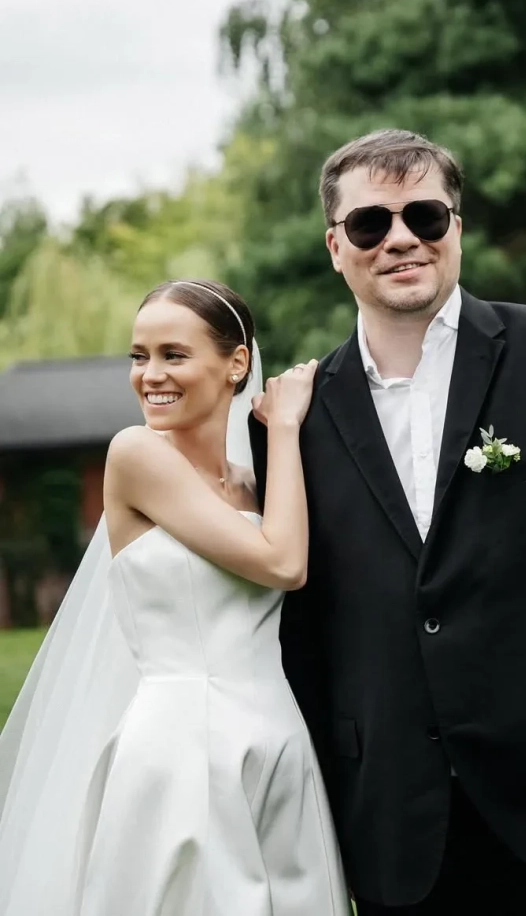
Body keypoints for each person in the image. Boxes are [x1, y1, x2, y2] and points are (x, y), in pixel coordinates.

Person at [249, 129, 526, 915]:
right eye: (370, 223)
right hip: (399, 835)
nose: (400, 239)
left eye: (425, 216)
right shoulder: (295, 420)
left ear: (456, 228)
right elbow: (302, 634)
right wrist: (341, 809)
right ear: (335, 246)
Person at [0, 279, 350, 916]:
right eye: (139, 356)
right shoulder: (136, 455)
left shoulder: (256, 485)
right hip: (183, 746)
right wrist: (286, 427)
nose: (150, 375)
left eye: (174, 354)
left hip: (278, 739)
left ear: (236, 363)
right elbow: (283, 562)